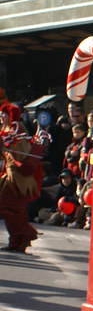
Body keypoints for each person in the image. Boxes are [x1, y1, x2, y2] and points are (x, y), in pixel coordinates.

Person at [0, 104, 42, 252]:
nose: (1, 117)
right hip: (10, 175)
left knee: (9, 207)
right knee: (13, 209)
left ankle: (26, 233)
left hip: (18, 177)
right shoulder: (7, 130)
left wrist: (6, 145)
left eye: (3, 114)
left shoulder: (16, 129)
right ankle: (17, 241)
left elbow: (19, 153)